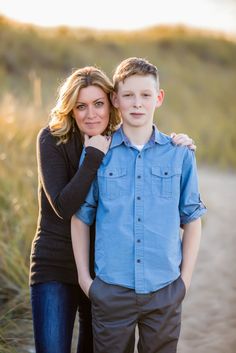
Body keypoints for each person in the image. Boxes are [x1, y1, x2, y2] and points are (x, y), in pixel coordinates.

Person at [30, 64, 196, 353]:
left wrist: (178, 142)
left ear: (110, 104)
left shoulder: (124, 144)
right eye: (81, 106)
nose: (91, 113)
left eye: (98, 104)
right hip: (57, 264)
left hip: (103, 270)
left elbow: (185, 210)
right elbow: (65, 207)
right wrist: (94, 155)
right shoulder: (56, 140)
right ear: (71, 109)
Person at [71, 57, 207, 353]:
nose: (137, 103)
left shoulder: (180, 154)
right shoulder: (99, 153)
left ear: (158, 98)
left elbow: (192, 219)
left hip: (164, 290)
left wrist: (183, 282)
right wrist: (86, 280)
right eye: (129, 95)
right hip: (111, 291)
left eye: (145, 95)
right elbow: (81, 217)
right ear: (115, 100)